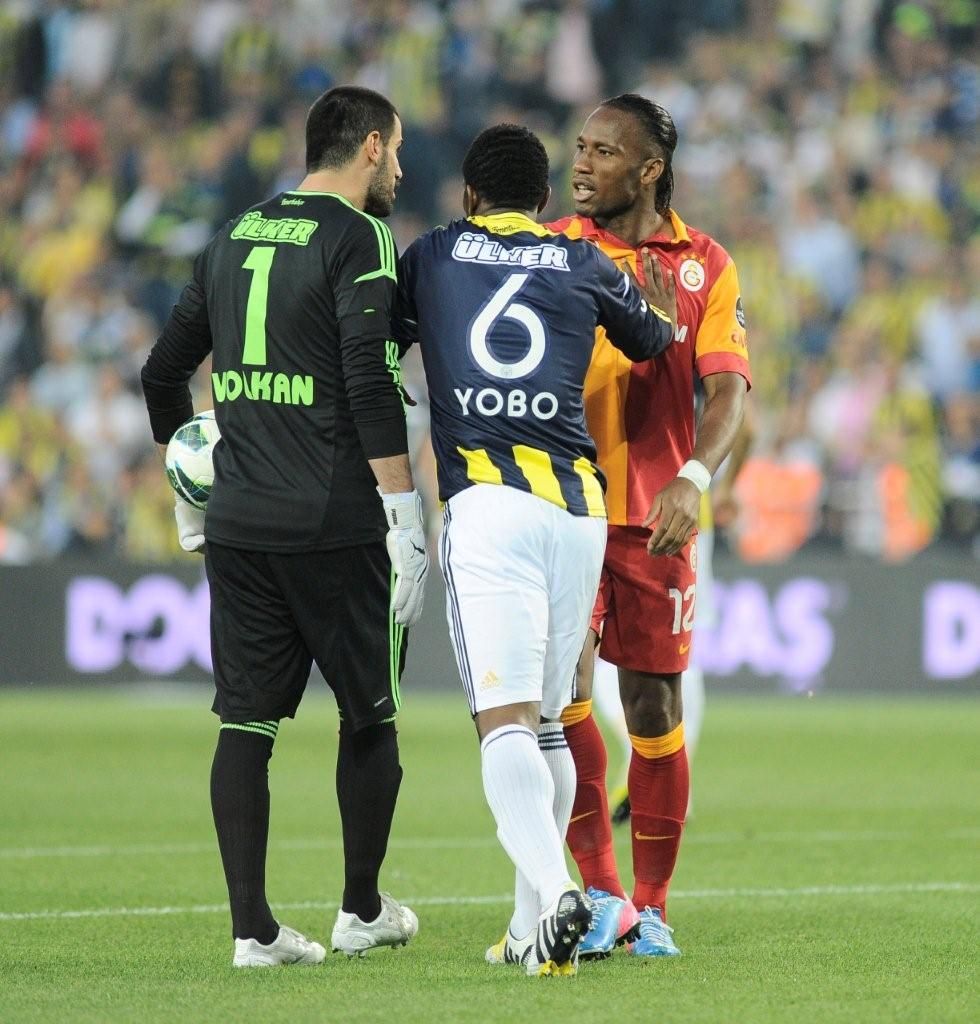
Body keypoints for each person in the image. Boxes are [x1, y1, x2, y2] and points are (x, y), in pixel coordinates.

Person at [140, 86, 428, 968]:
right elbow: (369, 381)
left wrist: (190, 484)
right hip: (337, 522)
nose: (400, 167)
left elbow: (162, 374)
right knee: (370, 715)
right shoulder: (360, 237)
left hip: (239, 525)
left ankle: (253, 931)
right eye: (396, 150)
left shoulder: (231, 235)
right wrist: (404, 512)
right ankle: (360, 909)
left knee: (245, 726)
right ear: (370, 147)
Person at [392, 123, 678, 976]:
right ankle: (527, 932)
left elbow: (378, 345)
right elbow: (653, 340)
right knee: (548, 721)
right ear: (545, 199)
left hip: (490, 504)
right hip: (579, 510)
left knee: (501, 719)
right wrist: (659, 303)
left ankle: (557, 892)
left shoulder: (435, 253)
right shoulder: (582, 260)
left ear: (469, 196)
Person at [547, 94, 751, 959]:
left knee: (654, 705)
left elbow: (728, 393)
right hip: (561, 506)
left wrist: (693, 479)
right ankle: (602, 895)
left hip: (654, 521)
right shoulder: (553, 250)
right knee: (562, 696)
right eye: (580, 147)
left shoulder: (707, 264)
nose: (581, 164)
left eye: (603, 151)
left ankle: (653, 906)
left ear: (650, 168)